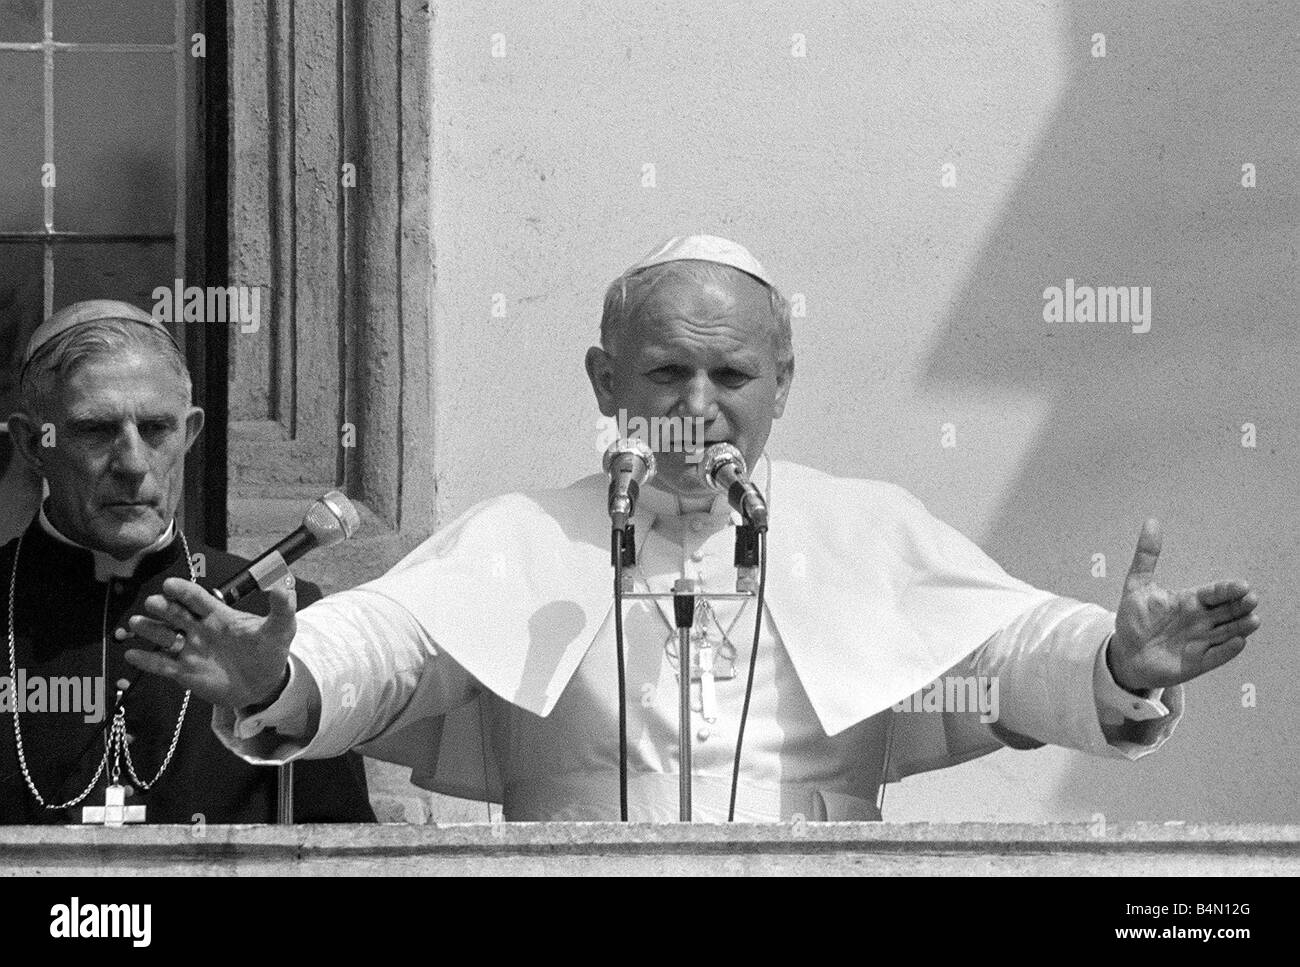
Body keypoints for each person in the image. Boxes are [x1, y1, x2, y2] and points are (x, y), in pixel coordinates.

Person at [126, 237, 1261, 822]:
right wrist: (281, 676)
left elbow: (1008, 652)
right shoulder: (527, 536)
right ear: (603, 378)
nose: (697, 402)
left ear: (783, 384)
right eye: (665, 370)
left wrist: (1114, 665)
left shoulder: (869, 530)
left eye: (732, 371)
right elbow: (384, 645)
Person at [0, 300, 374, 825]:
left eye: (156, 429)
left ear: (191, 433)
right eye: (96, 430)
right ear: (32, 443)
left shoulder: (277, 617)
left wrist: (274, 693)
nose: (132, 463)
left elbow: (343, 852)